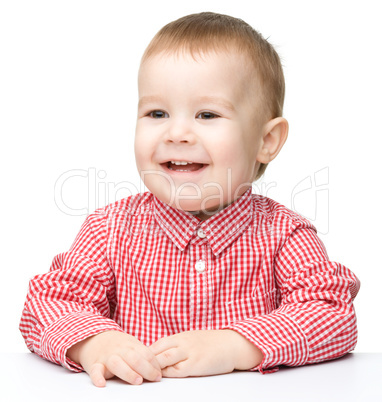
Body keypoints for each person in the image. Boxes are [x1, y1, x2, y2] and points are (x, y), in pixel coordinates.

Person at [19, 11, 360, 387]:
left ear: (266, 141)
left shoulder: (284, 234)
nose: (177, 132)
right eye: (157, 112)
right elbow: (48, 303)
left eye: (207, 114)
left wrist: (236, 346)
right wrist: (94, 343)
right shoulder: (109, 230)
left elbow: (331, 313)